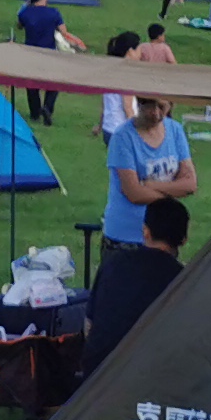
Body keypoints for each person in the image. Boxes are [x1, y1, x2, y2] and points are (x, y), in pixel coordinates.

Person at [82, 201, 189, 377]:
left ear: (145, 231)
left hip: (96, 373)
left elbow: (89, 325)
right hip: (145, 377)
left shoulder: (113, 262)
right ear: (184, 240)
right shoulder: (183, 279)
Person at [102, 92, 193, 254]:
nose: (156, 113)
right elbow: (134, 193)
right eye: (151, 106)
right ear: (140, 103)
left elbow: (190, 183)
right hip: (126, 235)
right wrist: (173, 193)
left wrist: (151, 185)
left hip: (163, 236)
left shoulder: (175, 131)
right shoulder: (123, 137)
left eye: (162, 107)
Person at [15, 0, 66, 124]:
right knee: (53, 82)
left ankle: (35, 112)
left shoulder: (25, 13)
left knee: (32, 84)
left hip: (30, 52)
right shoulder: (53, 13)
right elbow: (63, 31)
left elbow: (19, 26)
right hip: (49, 52)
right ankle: (48, 107)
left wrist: (25, 7)